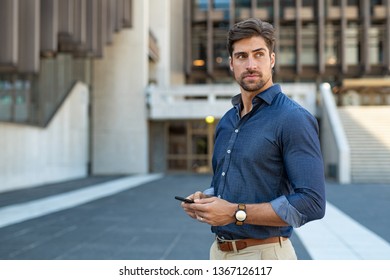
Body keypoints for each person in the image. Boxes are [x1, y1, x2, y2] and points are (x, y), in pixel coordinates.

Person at [180, 18, 326, 260]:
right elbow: (237, 184)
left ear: (272, 59)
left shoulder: (293, 118)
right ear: (231, 63)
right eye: (241, 56)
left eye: (258, 54)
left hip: (266, 255)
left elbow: (312, 203)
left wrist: (234, 213)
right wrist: (206, 201)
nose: (250, 64)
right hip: (219, 253)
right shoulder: (227, 121)